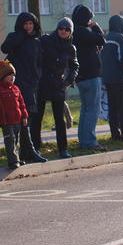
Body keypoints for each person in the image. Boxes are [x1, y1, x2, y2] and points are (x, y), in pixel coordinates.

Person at [0, 12, 47, 163]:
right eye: (25, 24)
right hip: (18, 84)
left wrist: (38, 77)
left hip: (32, 84)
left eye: (30, 23)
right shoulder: (15, 37)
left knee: (29, 117)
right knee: (22, 118)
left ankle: (27, 151)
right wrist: (21, 35)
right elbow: (5, 48)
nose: (28, 26)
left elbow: (40, 62)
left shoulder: (37, 41)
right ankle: (26, 151)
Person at [31, 17, 79, 158]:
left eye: (67, 29)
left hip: (58, 84)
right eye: (61, 28)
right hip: (42, 83)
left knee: (59, 119)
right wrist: (36, 75)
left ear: (70, 32)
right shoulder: (46, 40)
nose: (63, 31)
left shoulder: (70, 48)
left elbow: (75, 66)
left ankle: (63, 149)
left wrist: (68, 80)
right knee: (37, 118)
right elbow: (35, 57)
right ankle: (35, 148)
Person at [72, 4, 107, 151]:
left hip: (80, 76)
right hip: (91, 75)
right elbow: (102, 40)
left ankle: (83, 141)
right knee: (93, 110)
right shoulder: (83, 32)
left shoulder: (73, 32)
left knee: (85, 110)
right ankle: (90, 142)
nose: (90, 21)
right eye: (89, 18)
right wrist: (96, 27)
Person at [0, 60, 28, 169]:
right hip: (6, 121)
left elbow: (22, 103)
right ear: (3, 77)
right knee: (9, 141)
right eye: (10, 75)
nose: (12, 77)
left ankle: (17, 158)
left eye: (13, 75)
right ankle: (13, 161)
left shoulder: (16, 89)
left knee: (16, 140)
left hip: (17, 119)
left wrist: (24, 116)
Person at [101, 14, 123, 141]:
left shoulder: (106, 37)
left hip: (107, 77)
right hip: (119, 77)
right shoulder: (120, 38)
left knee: (112, 107)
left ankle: (115, 134)